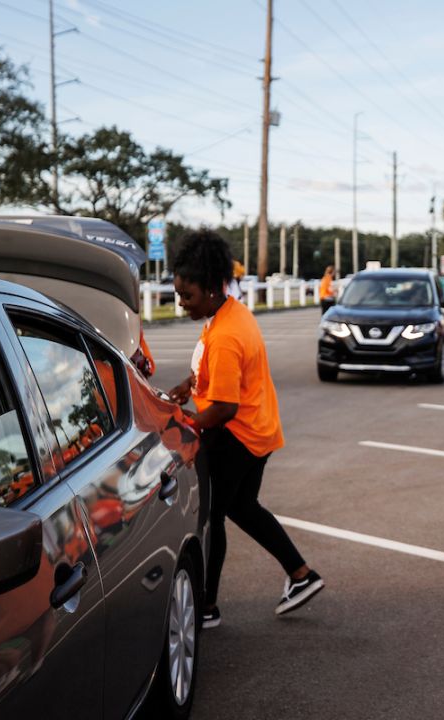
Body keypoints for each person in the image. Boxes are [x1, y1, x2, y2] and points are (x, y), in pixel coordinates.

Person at [166, 229, 324, 627]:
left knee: (213, 518)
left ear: (212, 289)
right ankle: (301, 575)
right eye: (178, 295)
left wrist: (182, 423)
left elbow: (223, 407)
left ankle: (206, 608)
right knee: (242, 506)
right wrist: (190, 384)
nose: (181, 303)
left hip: (236, 435)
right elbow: (217, 375)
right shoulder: (228, 313)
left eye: (188, 296)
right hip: (258, 429)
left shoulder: (226, 334)